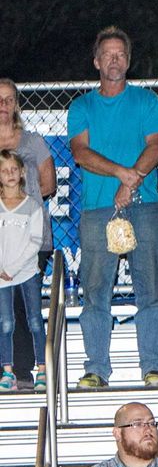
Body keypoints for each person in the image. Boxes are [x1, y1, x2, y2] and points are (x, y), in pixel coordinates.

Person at [68, 26, 158, 389]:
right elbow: (80, 153)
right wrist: (123, 176)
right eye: (107, 54)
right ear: (96, 61)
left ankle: (153, 368)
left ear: (128, 61)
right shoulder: (81, 106)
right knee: (95, 291)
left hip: (144, 206)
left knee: (149, 289)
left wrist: (132, 183)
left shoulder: (146, 101)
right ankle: (96, 368)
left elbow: (156, 146)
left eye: (120, 54)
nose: (114, 59)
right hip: (99, 209)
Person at [0, 79, 54, 386]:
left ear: (16, 104)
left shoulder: (32, 142)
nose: (3, 106)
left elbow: (48, 185)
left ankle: (22, 373)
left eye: (8, 100)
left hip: (29, 238)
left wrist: (19, 208)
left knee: (22, 306)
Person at [0, 150, 45, 391]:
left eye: (14, 169)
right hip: (2, 277)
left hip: (27, 273)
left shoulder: (32, 206)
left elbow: (35, 241)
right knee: (6, 323)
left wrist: (14, 268)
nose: (10, 174)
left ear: (22, 172)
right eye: (4, 170)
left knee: (35, 321)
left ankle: (42, 370)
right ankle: (8, 372)